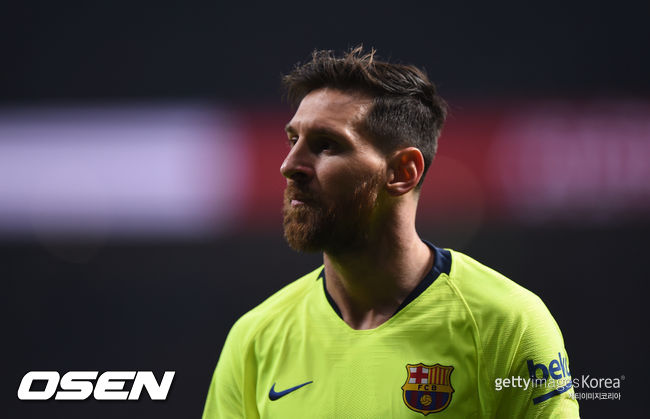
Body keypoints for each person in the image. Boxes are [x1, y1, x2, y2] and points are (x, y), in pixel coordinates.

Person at [203, 46, 579, 418]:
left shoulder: (508, 324)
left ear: (402, 172)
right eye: (292, 140)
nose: (289, 165)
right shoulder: (254, 338)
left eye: (326, 145)